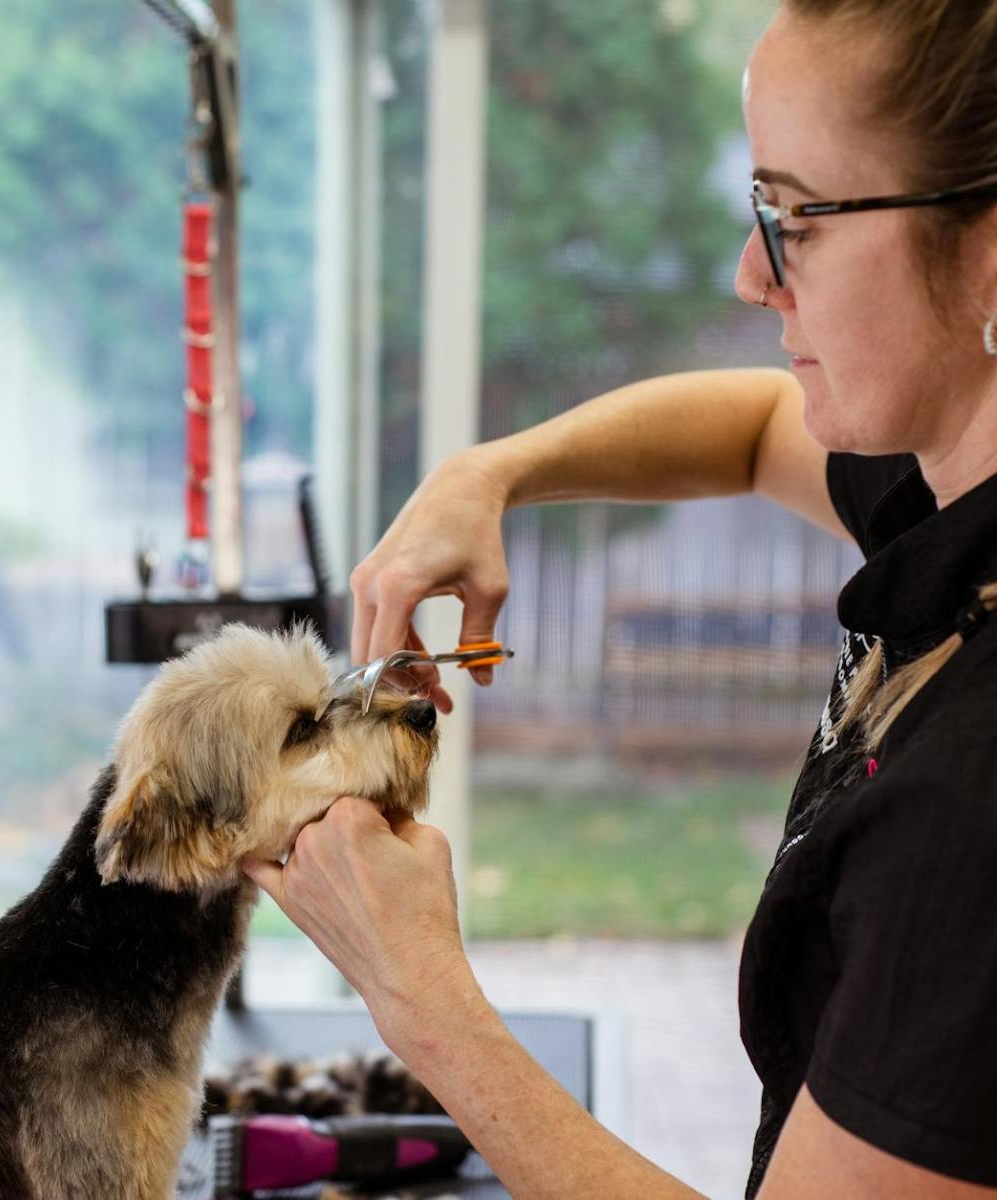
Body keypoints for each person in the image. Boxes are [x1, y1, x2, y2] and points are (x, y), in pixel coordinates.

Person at [242, 0, 997, 1195]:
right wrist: (489, 472)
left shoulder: (970, 812)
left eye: (793, 217)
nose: (752, 276)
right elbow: (753, 430)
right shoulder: (945, 486)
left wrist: (422, 1000)